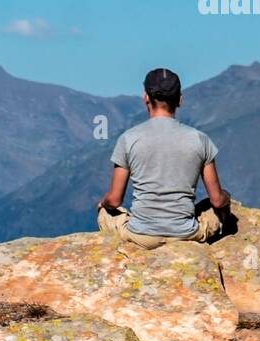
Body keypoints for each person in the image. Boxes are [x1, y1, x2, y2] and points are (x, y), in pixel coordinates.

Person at [96, 67, 232, 249]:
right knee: (219, 203)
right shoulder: (200, 139)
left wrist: (103, 203)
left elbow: (114, 200)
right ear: (180, 100)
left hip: (141, 236)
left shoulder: (128, 139)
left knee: (105, 212)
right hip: (186, 234)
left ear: (146, 98)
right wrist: (226, 198)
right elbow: (216, 199)